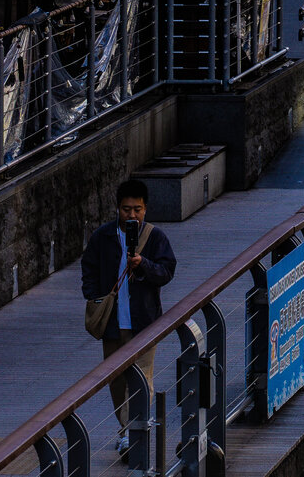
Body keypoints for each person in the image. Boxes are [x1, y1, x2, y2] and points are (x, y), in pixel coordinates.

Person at [82, 180, 175, 462]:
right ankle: (127, 430)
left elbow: (167, 271)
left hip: (144, 322)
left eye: (137, 209)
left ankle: (134, 432)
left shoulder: (155, 237)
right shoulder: (103, 236)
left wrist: (142, 264)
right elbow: (89, 268)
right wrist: (95, 295)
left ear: (146, 209)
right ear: (117, 209)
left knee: (142, 377)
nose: (131, 215)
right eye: (126, 209)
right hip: (113, 323)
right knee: (116, 380)